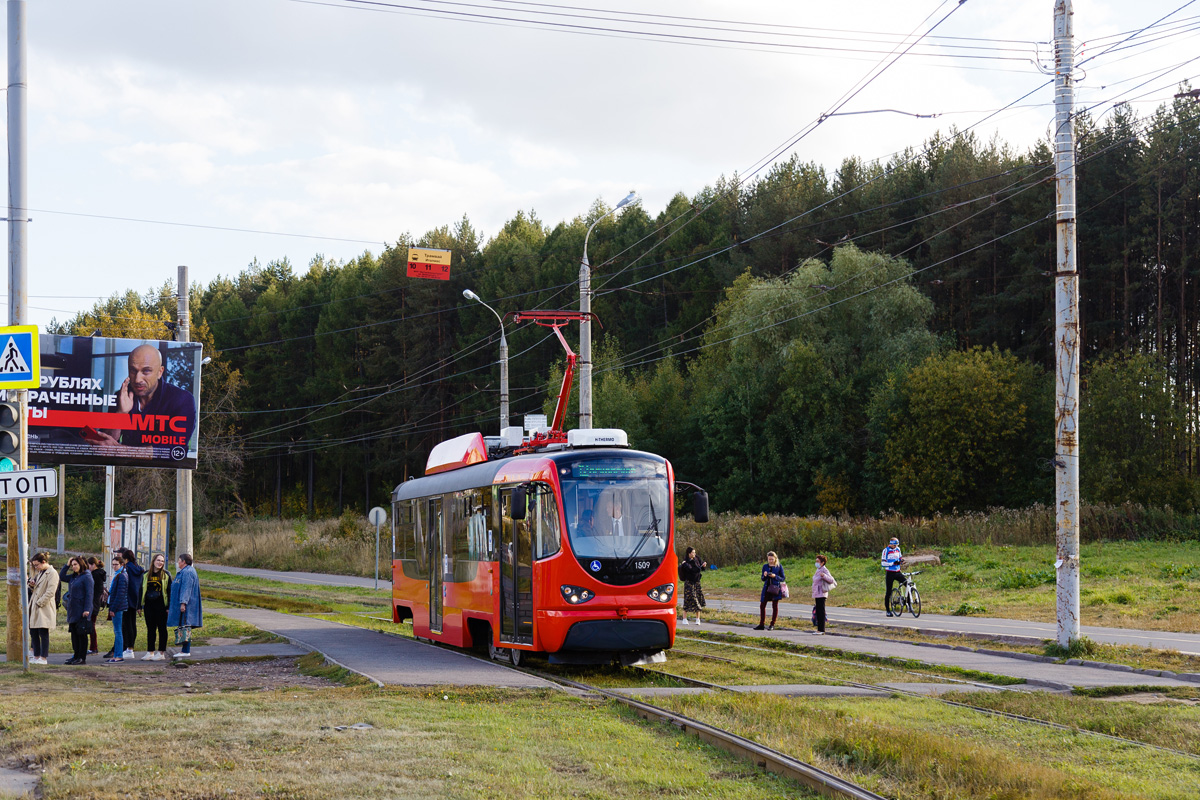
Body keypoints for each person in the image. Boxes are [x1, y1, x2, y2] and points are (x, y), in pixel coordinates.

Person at [96, 343, 197, 454]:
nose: (137, 379)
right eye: (133, 370)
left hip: (162, 466)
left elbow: (175, 449)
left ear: (160, 372)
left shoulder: (182, 400)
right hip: (124, 464)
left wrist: (121, 450)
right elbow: (105, 444)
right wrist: (121, 414)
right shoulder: (122, 396)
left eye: (146, 371)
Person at [167, 553, 203, 659]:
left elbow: (186, 588)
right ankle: (184, 650)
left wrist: (183, 603)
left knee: (185, 626)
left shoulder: (187, 572)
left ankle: (185, 651)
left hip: (187, 605)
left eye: (179, 560)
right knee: (184, 626)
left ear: (184, 561)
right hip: (186, 604)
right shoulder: (185, 571)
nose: (178, 562)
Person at [28, 552, 60, 665]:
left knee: (43, 632)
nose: (36, 567)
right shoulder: (40, 573)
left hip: (43, 607)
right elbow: (37, 588)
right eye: (34, 565)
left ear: (44, 562)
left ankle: (43, 657)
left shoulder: (52, 573)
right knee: (34, 632)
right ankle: (36, 655)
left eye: (37, 565)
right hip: (35, 605)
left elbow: (51, 591)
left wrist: (39, 603)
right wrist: (32, 585)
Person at [140, 553, 172, 661]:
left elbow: (170, 591)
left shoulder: (166, 575)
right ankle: (150, 652)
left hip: (161, 605)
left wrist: (169, 606)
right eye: (158, 560)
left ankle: (161, 652)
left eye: (162, 561)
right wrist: (139, 606)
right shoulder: (146, 574)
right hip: (149, 605)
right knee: (150, 629)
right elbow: (141, 589)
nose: (160, 563)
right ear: (153, 561)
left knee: (162, 629)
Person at [64, 556, 94, 664]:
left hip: (82, 609)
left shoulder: (86, 577)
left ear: (81, 564)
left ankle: (82, 657)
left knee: (81, 634)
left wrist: (87, 609)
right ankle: (76, 656)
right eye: (72, 565)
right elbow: (62, 576)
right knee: (74, 634)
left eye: (75, 564)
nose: (73, 567)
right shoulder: (74, 577)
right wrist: (67, 565)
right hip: (73, 610)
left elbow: (89, 594)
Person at [118, 548, 144, 659]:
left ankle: (128, 648)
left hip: (127, 599)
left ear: (126, 559)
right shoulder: (138, 569)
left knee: (126, 625)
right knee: (132, 624)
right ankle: (131, 647)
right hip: (136, 599)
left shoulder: (126, 569)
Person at [106, 553, 129, 664]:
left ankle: (119, 655)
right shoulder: (118, 575)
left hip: (118, 607)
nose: (114, 566)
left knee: (118, 631)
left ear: (122, 565)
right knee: (117, 631)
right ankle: (116, 654)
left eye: (116, 564)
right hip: (116, 606)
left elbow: (120, 594)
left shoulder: (121, 576)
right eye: (113, 564)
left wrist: (113, 609)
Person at [755, 551, 786, 631]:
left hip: (775, 588)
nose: (770, 561)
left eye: (772, 559)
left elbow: (783, 578)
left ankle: (772, 624)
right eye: (769, 559)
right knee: (762, 605)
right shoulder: (765, 566)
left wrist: (775, 576)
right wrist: (765, 575)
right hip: (767, 588)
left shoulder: (779, 566)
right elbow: (763, 579)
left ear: (775, 559)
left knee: (774, 606)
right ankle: (761, 624)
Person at [678, 547, 707, 625]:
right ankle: (684, 618)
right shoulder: (686, 562)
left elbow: (701, 568)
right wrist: (696, 565)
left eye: (694, 552)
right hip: (689, 582)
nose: (694, 554)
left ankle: (698, 619)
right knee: (689, 599)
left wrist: (703, 565)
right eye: (693, 552)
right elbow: (692, 570)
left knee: (698, 598)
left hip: (697, 582)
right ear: (689, 553)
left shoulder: (697, 558)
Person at [811, 554, 837, 635]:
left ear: (822, 562)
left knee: (821, 612)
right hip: (817, 593)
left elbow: (831, 580)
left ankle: (821, 629)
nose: (816, 563)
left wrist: (824, 576)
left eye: (818, 561)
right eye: (816, 561)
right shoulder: (818, 569)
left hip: (821, 593)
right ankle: (819, 629)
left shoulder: (824, 570)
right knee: (818, 611)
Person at [881, 537, 906, 617]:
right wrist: (892, 563)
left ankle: (908, 603)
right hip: (890, 573)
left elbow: (899, 558)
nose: (895, 547)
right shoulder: (886, 550)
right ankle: (888, 611)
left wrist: (901, 561)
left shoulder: (898, 549)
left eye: (897, 545)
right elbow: (883, 563)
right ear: (891, 544)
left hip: (897, 572)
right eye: (894, 545)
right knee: (888, 592)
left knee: (907, 584)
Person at [86, 556, 106, 654]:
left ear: (93, 565)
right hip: (96, 603)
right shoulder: (99, 574)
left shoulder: (94, 575)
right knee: (91, 625)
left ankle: (93, 647)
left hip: (93, 603)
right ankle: (93, 647)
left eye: (88, 566)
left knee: (91, 626)